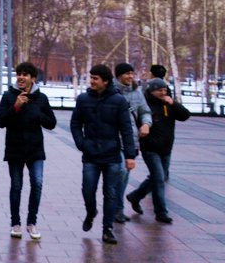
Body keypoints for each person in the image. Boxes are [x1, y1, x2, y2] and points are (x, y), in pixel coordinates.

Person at [70, 64, 137, 244]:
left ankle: (107, 228)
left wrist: (130, 155)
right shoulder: (83, 99)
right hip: (91, 154)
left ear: (105, 81)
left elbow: (126, 129)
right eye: (91, 78)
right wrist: (81, 143)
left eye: (95, 78)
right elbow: (75, 123)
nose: (92, 81)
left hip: (112, 155)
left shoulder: (118, 101)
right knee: (88, 190)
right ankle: (91, 212)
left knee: (111, 193)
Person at [0, 62, 56, 240]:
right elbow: (0, 121)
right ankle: (16, 223)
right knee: (16, 186)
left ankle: (32, 222)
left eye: (25, 74)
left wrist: (38, 113)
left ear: (33, 78)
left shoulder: (41, 98)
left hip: (35, 149)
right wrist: (15, 107)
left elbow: (51, 123)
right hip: (15, 148)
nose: (21, 77)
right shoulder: (9, 96)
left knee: (37, 184)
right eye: (19, 74)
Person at [126, 78, 190, 224]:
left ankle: (135, 196)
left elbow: (185, 115)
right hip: (151, 148)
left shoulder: (169, 104)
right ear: (152, 91)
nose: (163, 93)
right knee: (159, 179)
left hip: (166, 148)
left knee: (157, 178)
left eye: (165, 90)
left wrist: (173, 103)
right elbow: (138, 122)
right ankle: (161, 212)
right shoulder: (146, 104)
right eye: (159, 91)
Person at [112, 63, 151, 223]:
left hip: (131, 141)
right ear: (119, 75)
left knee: (125, 175)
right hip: (114, 140)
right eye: (127, 73)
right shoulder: (111, 91)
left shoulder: (137, 91)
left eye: (132, 73)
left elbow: (145, 111)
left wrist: (146, 124)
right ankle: (116, 209)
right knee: (121, 172)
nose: (130, 76)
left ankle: (116, 208)